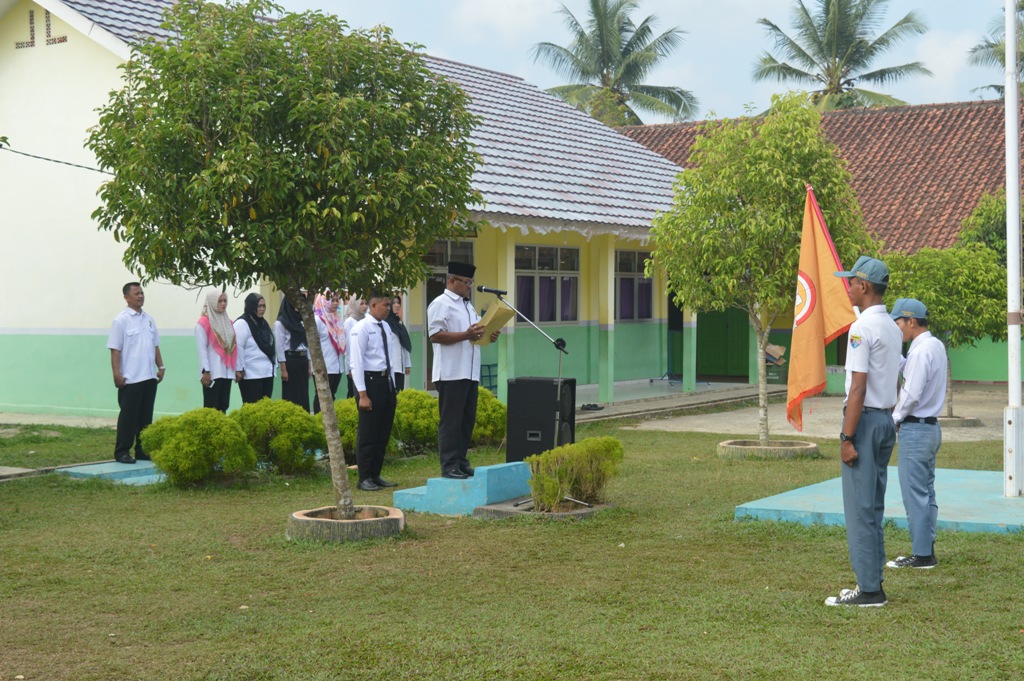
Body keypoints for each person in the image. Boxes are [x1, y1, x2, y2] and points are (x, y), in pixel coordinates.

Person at [825, 256, 902, 607]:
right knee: (873, 505)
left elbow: (857, 387)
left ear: (865, 286)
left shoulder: (861, 328)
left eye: (852, 282)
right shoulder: (892, 327)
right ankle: (873, 581)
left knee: (859, 508)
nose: (849, 287)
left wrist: (847, 437)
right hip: (885, 420)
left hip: (865, 422)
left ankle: (869, 590)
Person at [887, 298, 947, 570]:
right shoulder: (933, 345)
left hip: (916, 429)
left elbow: (911, 394)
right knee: (926, 492)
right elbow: (913, 373)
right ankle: (926, 549)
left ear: (911, 321)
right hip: (930, 427)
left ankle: (922, 555)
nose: (896, 328)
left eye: (898, 322)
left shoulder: (921, 351)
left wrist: (894, 418)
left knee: (915, 494)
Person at [427, 262, 500, 479]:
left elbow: (475, 334)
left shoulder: (468, 306)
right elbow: (435, 335)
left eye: (471, 283)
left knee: (467, 420)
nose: (469, 287)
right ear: (452, 280)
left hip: (470, 371)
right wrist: (466, 335)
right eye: (466, 283)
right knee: (451, 421)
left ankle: (461, 461)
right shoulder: (441, 304)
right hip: (451, 372)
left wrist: (489, 335)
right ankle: (449, 465)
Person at [107, 282, 165, 464]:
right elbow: (115, 349)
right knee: (128, 417)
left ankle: (142, 450)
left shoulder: (149, 319)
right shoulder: (121, 320)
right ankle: (122, 451)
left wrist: (161, 367)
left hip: (149, 376)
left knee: (146, 417)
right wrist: (116, 374)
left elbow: (155, 345)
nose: (141, 296)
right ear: (126, 297)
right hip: (131, 378)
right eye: (136, 294)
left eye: (142, 293)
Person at [348, 291, 399, 491]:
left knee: (382, 432)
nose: (388, 309)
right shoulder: (361, 328)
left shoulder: (385, 326)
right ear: (373, 305)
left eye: (389, 305)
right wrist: (362, 394)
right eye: (385, 305)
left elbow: (390, 359)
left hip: (386, 382)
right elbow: (356, 363)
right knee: (368, 433)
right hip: (370, 383)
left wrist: (392, 387)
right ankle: (364, 477)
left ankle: (375, 474)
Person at [195, 290, 238, 412]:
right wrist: (206, 371)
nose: (223, 304)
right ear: (212, 302)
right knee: (211, 406)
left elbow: (234, 347)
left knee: (224, 405)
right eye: (219, 301)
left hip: (226, 372)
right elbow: (202, 350)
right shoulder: (203, 323)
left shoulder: (228, 322)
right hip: (213, 373)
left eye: (225, 301)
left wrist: (236, 369)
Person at [234, 293, 275, 403]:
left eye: (264, 306)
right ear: (251, 306)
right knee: (252, 406)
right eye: (259, 306)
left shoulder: (263, 324)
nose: (262, 309)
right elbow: (238, 348)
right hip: (250, 374)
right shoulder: (242, 324)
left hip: (267, 372)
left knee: (265, 407)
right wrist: (239, 369)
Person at [275, 292, 311, 412]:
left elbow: (307, 344)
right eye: (294, 302)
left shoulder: (302, 320)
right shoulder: (281, 323)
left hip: (302, 359)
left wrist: (309, 365)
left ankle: (304, 418)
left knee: (303, 394)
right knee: (291, 394)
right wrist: (283, 369)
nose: (297, 306)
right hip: (290, 360)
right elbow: (280, 348)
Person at [313, 291, 345, 414]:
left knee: (332, 396)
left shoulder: (336, 319)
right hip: (324, 366)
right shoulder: (318, 319)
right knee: (321, 397)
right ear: (324, 301)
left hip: (337, 367)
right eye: (332, 300)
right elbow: (312, 345)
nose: (335, 303)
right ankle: (318, 420)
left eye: (337, 300)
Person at [386, 294, 413, 391]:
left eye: (398, 303)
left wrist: (407, 364)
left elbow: (404, 344)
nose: (397, 305)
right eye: (394, 303)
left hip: (400, 367)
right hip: (390, 367)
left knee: (400, 392)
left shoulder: (400, 324)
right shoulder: (385, 323)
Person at [344, 296, 367, 399]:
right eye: (361, 304)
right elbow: (349, 347)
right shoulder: (349, 322)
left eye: (366, 303)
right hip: (353, 365)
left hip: (365, 364)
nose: (364, 306)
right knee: (353, 394)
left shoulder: (366, 320)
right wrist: (350, 368)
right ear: (355, 305)